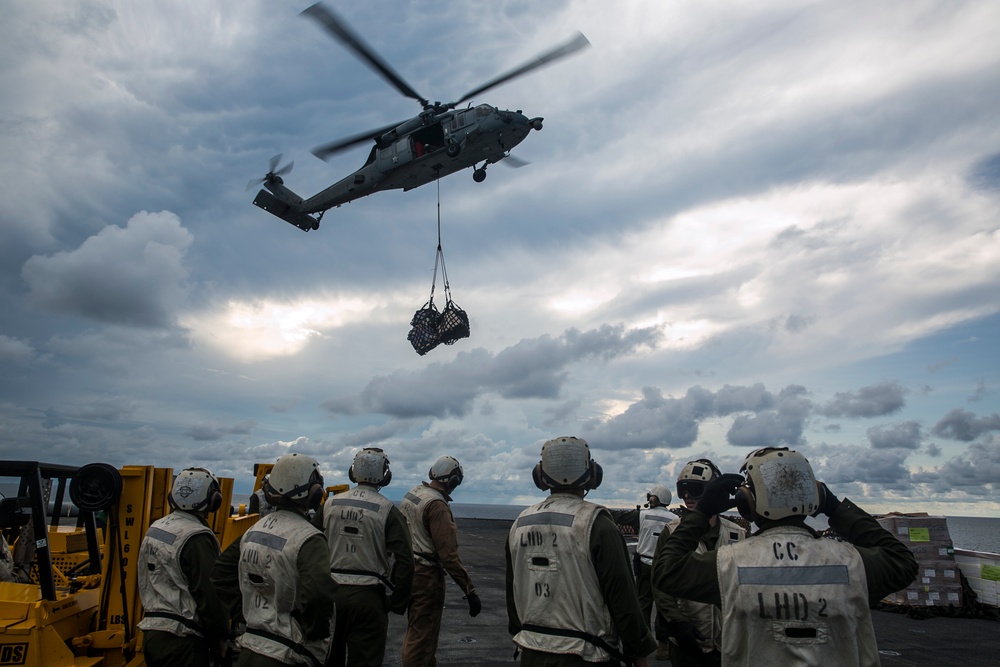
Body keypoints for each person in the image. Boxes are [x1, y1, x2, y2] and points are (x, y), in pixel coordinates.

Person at [652, 447, 918, 667]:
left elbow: (666, 571)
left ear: (746, 502)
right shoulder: (851, 563)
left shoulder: (731, 563)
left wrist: (701, 513)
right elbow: (903, 562)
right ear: (814, 495)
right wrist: (834, 507)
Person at [506, 436, 656, 667]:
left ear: (540, 475)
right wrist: (638, 651)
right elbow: (623, 598)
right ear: (593, 474)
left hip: (531, 651)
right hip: (588, 655)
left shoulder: (520, 523)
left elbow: (513, 591)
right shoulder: (597, 523)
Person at [212, 452, 337, 667]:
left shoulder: (252, 531)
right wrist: (314, 634)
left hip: (250, 647)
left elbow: (220, 575)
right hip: (289, 654)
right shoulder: (309, 538)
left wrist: (245, 613)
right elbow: (318, 594)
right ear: (314, 493)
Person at [316, 448, 413, 667]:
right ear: (385, 475)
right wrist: (397, 602)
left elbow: (310, 543)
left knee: (327, 658)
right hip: (368, 598)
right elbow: (406, 560)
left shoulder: (329, 505)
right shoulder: (388, 510)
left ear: (353, 472)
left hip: (330, 594)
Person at [653, 459, 746, 666]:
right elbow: (659, 583)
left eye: (694, 489)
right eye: (682, 490)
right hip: (687, 640)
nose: (686, 496)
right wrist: (676, 621)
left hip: (728, 642)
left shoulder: (736, 533)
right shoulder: (672, 532)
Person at [136, 467, 230, 667]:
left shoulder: (156, 528)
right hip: (182, 641)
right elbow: (209, 594)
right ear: (213, 500)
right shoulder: (196, 537)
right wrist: (221, 636)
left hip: (152, 634)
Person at [400, 455, 480, 667]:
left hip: (406, 570)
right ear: (452, 481)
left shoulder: (413, 494)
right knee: (422, 639)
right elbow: (448, 556)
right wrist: (469, 590)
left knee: (415, 631)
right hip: (426, 577)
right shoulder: (437, 506)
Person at [632, 483, 676, 661]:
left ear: (654, 498)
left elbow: (620, 517)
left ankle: (642, 640)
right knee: (664, 605)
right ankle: (663, 645)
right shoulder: (674, 518)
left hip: (643, 562)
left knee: (643, 601)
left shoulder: (642, 515)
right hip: (665, 566)